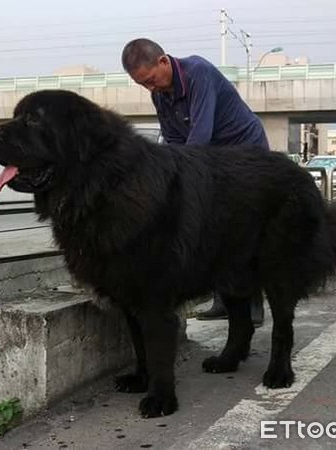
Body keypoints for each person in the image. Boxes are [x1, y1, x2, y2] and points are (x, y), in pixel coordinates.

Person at [121, 38, 269, 326]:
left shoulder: (198, 73)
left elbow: (199, 137)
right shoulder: (159, 94)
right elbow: (173, 141)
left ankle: (253, 303)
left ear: (164, 61)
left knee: (243, 229)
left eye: (151, 80)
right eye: (143, 85)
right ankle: (222, 300)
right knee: (210, 228)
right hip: (212, 160)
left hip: (243, 154)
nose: (151, 89)